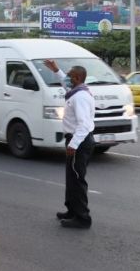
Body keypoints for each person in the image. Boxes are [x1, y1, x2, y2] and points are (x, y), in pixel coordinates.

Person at [44, 59, 95, 229]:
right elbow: (64, 83)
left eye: (70, 76)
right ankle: (72, 211)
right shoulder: (75, 90)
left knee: (77, 180)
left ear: (78, 78)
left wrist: (73, 145)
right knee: (71, 178)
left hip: (79, 142)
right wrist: (55, 69)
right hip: (75, 140)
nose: (67, 78)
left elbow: (84, 125)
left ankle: (82, 218)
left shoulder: (80, 97)